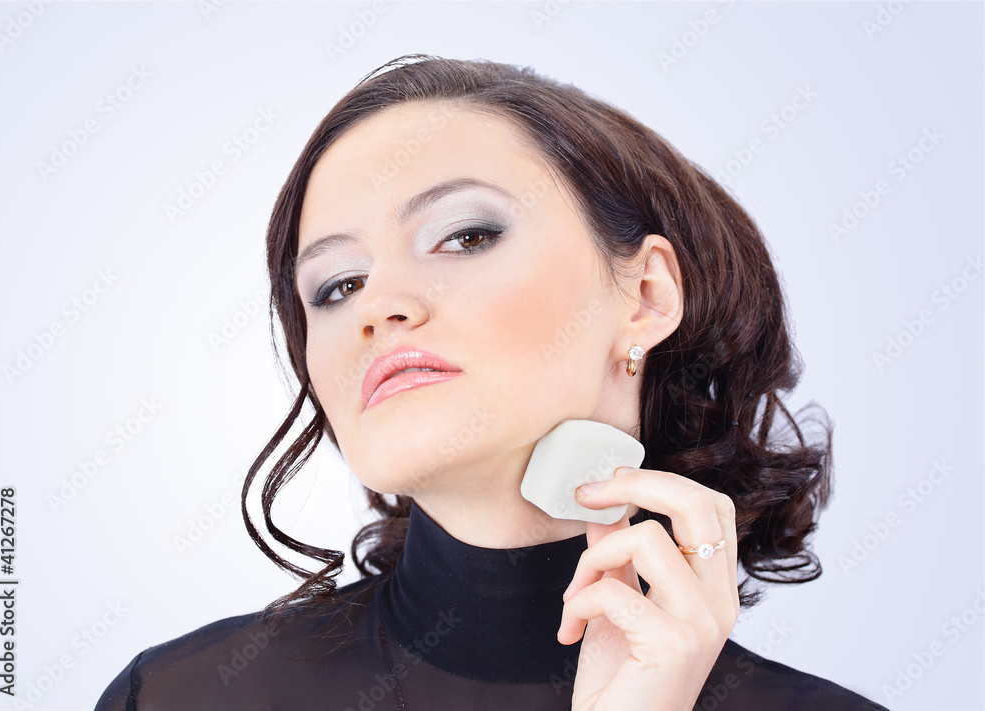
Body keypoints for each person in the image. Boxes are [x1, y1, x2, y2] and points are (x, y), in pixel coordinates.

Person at [95, 54, 889, 711]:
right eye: (337, 285)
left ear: (646, 295)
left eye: (465, 235)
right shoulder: (175, 696)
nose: (378, 305)